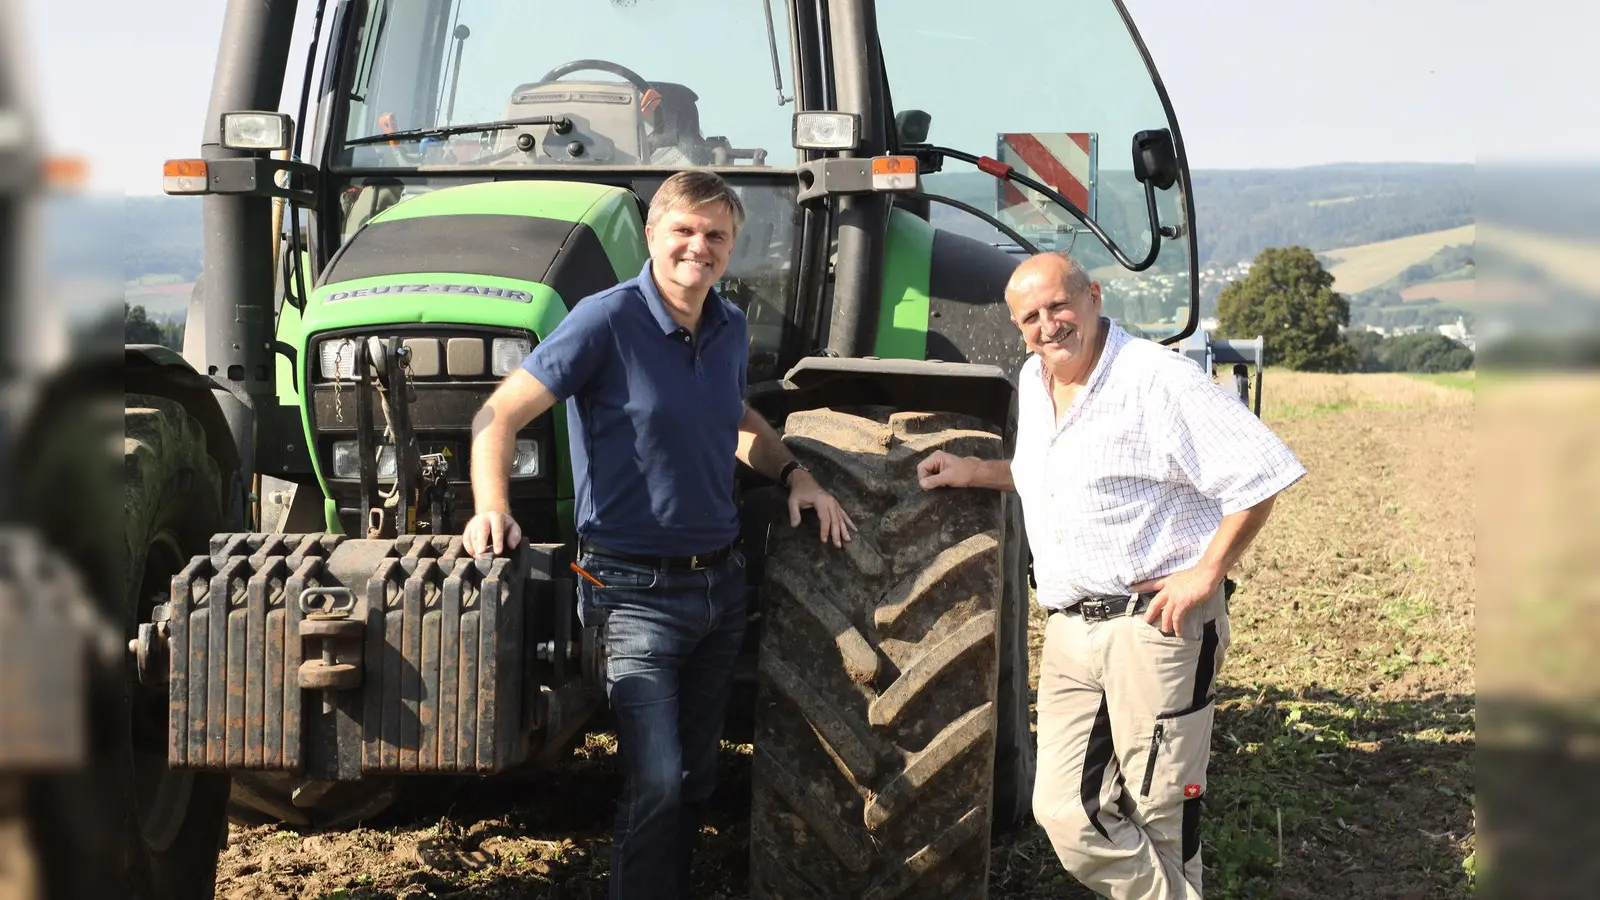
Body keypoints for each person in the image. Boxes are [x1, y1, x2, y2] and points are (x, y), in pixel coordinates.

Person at [462, 170, 855, 899]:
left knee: (696, 779)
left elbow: (733, 420)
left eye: (715, 235)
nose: (697, 247)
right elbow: (499, 414)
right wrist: (492, 505)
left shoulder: (729, 326)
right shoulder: (604, 321)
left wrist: (796, 472)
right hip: (630, 592)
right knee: (659, 784)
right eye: (683, 230)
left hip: (720, 588)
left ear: (731, 247)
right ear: (652, 235)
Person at [916, 252, 1305, 899]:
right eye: (1030, 317)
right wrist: (976, 472)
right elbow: (1051, 471)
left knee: (1160, 812)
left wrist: (1206, 573)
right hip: (1070, 630)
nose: (1048, 325)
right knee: (1065, 810)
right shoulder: (1034, 383)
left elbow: (1261, 474)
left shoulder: (1157, 380)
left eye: (1059, 307)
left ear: (1093, 296)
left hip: (1153, 625)